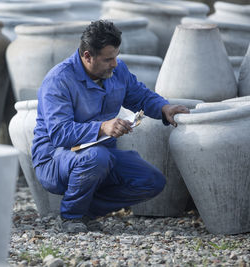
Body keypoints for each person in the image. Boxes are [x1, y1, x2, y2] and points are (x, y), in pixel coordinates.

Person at [31, 20, 190, 233]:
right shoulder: (58, 80)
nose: (115, 64)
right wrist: (103, 127)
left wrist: (164, 108)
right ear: (87, 56)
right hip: (54, 160)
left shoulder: (117, 70)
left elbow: (140, 96)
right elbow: (60, 133)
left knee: (152, 181)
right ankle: (72, 216)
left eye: (116, 56)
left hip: (100, 158)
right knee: (96, 157)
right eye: (108, 59)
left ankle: (86, 209)